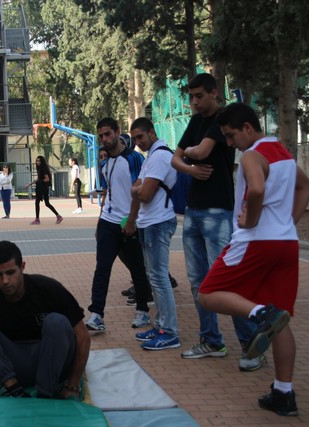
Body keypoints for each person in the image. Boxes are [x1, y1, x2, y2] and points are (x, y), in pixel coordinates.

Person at [198, 103, 309, 416]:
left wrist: (251, 220)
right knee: (281, 319)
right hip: (285, 244)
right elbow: (306, 187)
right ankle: (283, 393)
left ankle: (261, 313)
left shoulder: (251, 155)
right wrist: (288, 222)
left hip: (255, 241)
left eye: (231, 135)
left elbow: (257, 188)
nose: (229, 143)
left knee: (207, 294)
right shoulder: (283, 154)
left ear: (248, 128)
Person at [170, 73, 259, 369]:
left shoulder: (223, 119)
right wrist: (191, 168)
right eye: (191, 97)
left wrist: (188, 156)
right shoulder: (196, 121)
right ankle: (211, 340)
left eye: (199, 96)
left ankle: (251, 345)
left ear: (213, 93)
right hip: (193, 211)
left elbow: (200, 152)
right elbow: (175, 159)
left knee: (226, 279)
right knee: (198, 281)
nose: (194, 102)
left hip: (218, 211)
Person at [0, 241, 90, 399]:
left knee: (57, 322)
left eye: (10, 272)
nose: (5, 281)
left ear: (22, 267)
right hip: (18, 366)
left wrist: (73, 383)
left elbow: (82, 335)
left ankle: (45, 393)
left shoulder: (48, 288)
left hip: (53, 363)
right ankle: (15, 390)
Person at [86, 117, 152, 331]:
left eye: (107, 134)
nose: (104, 139)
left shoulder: (133, 159)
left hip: (128, 222)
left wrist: (131, 221)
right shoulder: (104, 163)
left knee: (137, 268)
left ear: (117, 132)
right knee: (102, 268)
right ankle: (96, 314)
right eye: (101, 136)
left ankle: (142, 310)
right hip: (108, 221)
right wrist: (99, 222)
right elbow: (107, 194)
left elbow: (138, 192)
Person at [129, 118, 180, 350]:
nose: (138, 142)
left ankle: (169, 332)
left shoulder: (159, 156)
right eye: (134, 139)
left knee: (159, 278)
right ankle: (160, 325)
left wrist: (138, 189)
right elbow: (137, 186)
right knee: (154, 278)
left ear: (152, 132)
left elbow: (144, 194)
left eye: (140, 137)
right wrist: (139, 188)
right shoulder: (151, 157)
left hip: (159, 222)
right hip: (150, 222)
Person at [25, 156, 63, 225]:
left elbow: (47, 179)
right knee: (45, 203)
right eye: (37, 161)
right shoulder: (40, 169)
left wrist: (40, 181)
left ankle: (37, 219)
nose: (38, 162)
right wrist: (29, 184)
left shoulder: (44, 169)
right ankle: (58, 216)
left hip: (43, 188)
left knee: (40, 202)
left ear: (42, 161)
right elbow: (38, 179)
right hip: (41, 187)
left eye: (39, 161)